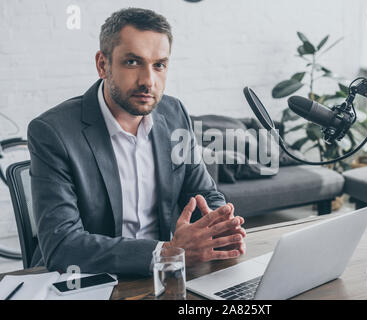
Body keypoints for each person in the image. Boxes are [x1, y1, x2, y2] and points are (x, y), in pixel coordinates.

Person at [27, 8, 245, 276]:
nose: (148, 81)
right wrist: (166, 252)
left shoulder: (175, 113)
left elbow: (203, 192)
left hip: (168, 278)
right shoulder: (53, 132)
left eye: (159, 65)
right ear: (102, 65)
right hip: (91, 281)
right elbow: (62, 246)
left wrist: (217, 227)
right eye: (132, 62)